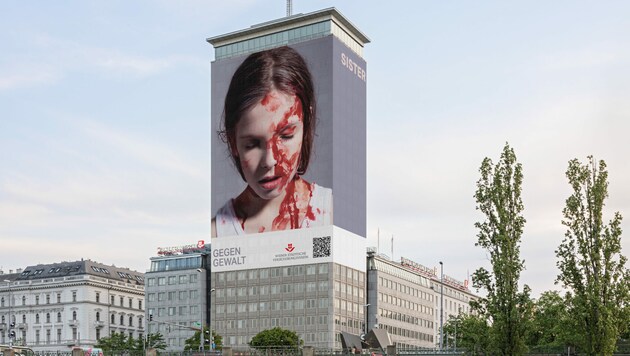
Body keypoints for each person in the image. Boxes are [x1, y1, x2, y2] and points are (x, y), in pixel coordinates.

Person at [212, 46, 332, 237]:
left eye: (286, 135)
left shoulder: (332, 212)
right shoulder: (217, 232)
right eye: (252, 144)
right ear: (233, 142)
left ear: (306, 124)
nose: (269, 160)